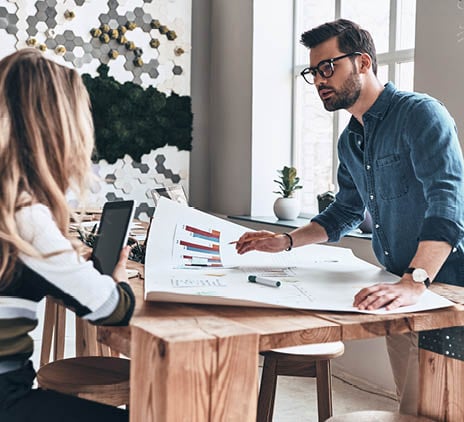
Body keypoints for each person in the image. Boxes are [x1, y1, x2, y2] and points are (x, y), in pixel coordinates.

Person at [236, 19, 464, 415]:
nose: (319, 80)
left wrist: (418, 280)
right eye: (313, 72)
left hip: (446, 292)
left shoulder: (420, 115)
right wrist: (284, 241)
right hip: (400, 290)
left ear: (362, 62)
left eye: (328, 67)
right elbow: (345, 212)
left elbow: (449, 204)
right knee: (410, 409)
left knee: (439, 411)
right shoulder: (350, 140)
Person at [0, 48, 135, 421]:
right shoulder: (21, 215)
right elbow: (112, 309)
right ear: (57, 131)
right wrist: (116, 281)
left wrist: (68, 271)